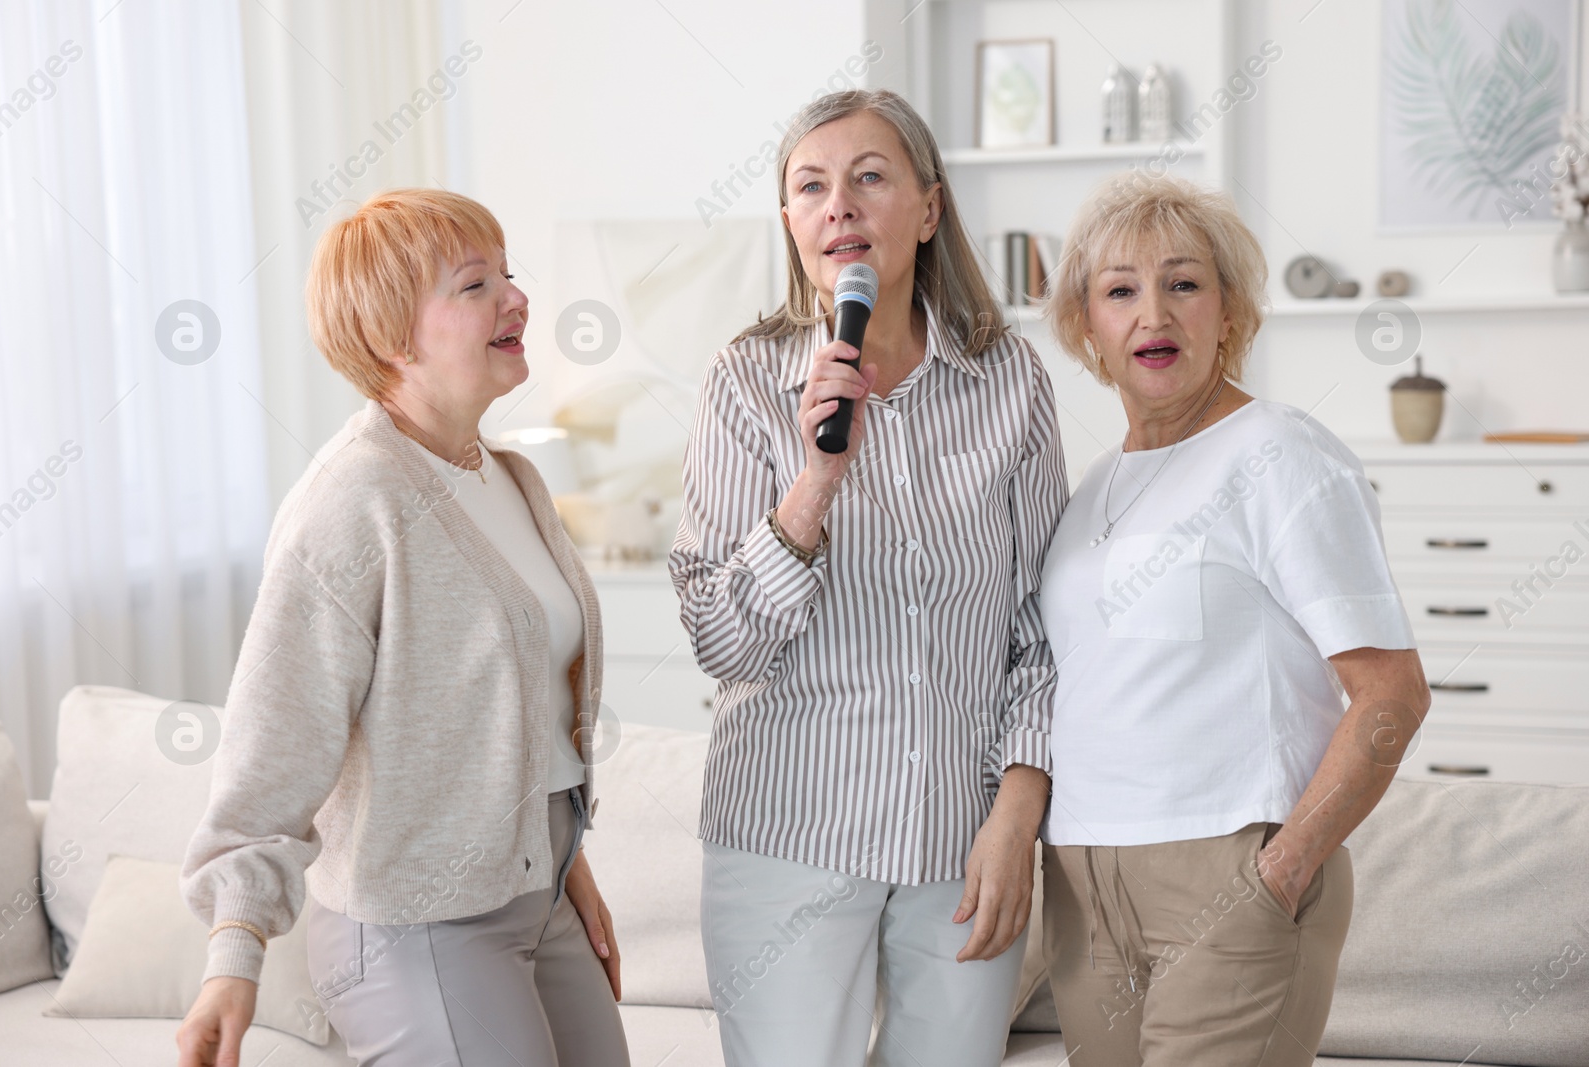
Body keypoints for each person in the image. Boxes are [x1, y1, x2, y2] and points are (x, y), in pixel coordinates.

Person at [176, 189, 630, 1067]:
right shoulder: (353, 503)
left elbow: (522, 718)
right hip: (417, 927)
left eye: (508, 274)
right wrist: (234, 955)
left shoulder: (514, 479)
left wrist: (563, 857)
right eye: (475, 285)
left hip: (540, 892)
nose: (516, 298)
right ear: (393, 335)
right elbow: (270, 750)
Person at [669, 89, 1068, 1067]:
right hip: (787, 834)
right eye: (811, 185)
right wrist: (815, 479)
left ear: (928, 210)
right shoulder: (743, 381)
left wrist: (1017, 816)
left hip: (962, 842)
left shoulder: (1009, 381)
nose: (838, 204)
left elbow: (1047, 628)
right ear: (790, 224)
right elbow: (723, 640)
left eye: (869, 177)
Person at [1035, 172, 1431, 1065]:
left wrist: (1280, 873)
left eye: (1184, 283)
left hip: (1229, 873)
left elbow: (1391, 696)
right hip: (1084, 890)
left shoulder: (1282, 452)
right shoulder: (1091, 489)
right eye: (1120, 291)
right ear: (1084, 327)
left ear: (1230, 313)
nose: (1154, 315)